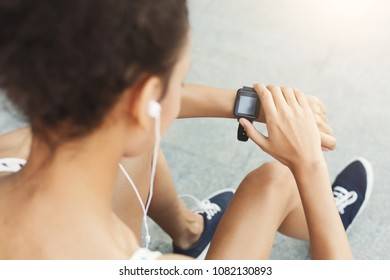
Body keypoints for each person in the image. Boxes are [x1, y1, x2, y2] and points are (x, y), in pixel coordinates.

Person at [0, 0, 372, 259]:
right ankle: (324, 222)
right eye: (178, 79)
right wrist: (309, 167)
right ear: (142, 100)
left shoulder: (12, 149)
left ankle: (190, 232)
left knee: (117, 141)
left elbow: (122, 107)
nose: (179, 92)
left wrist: (251, 105)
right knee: (275, 180)